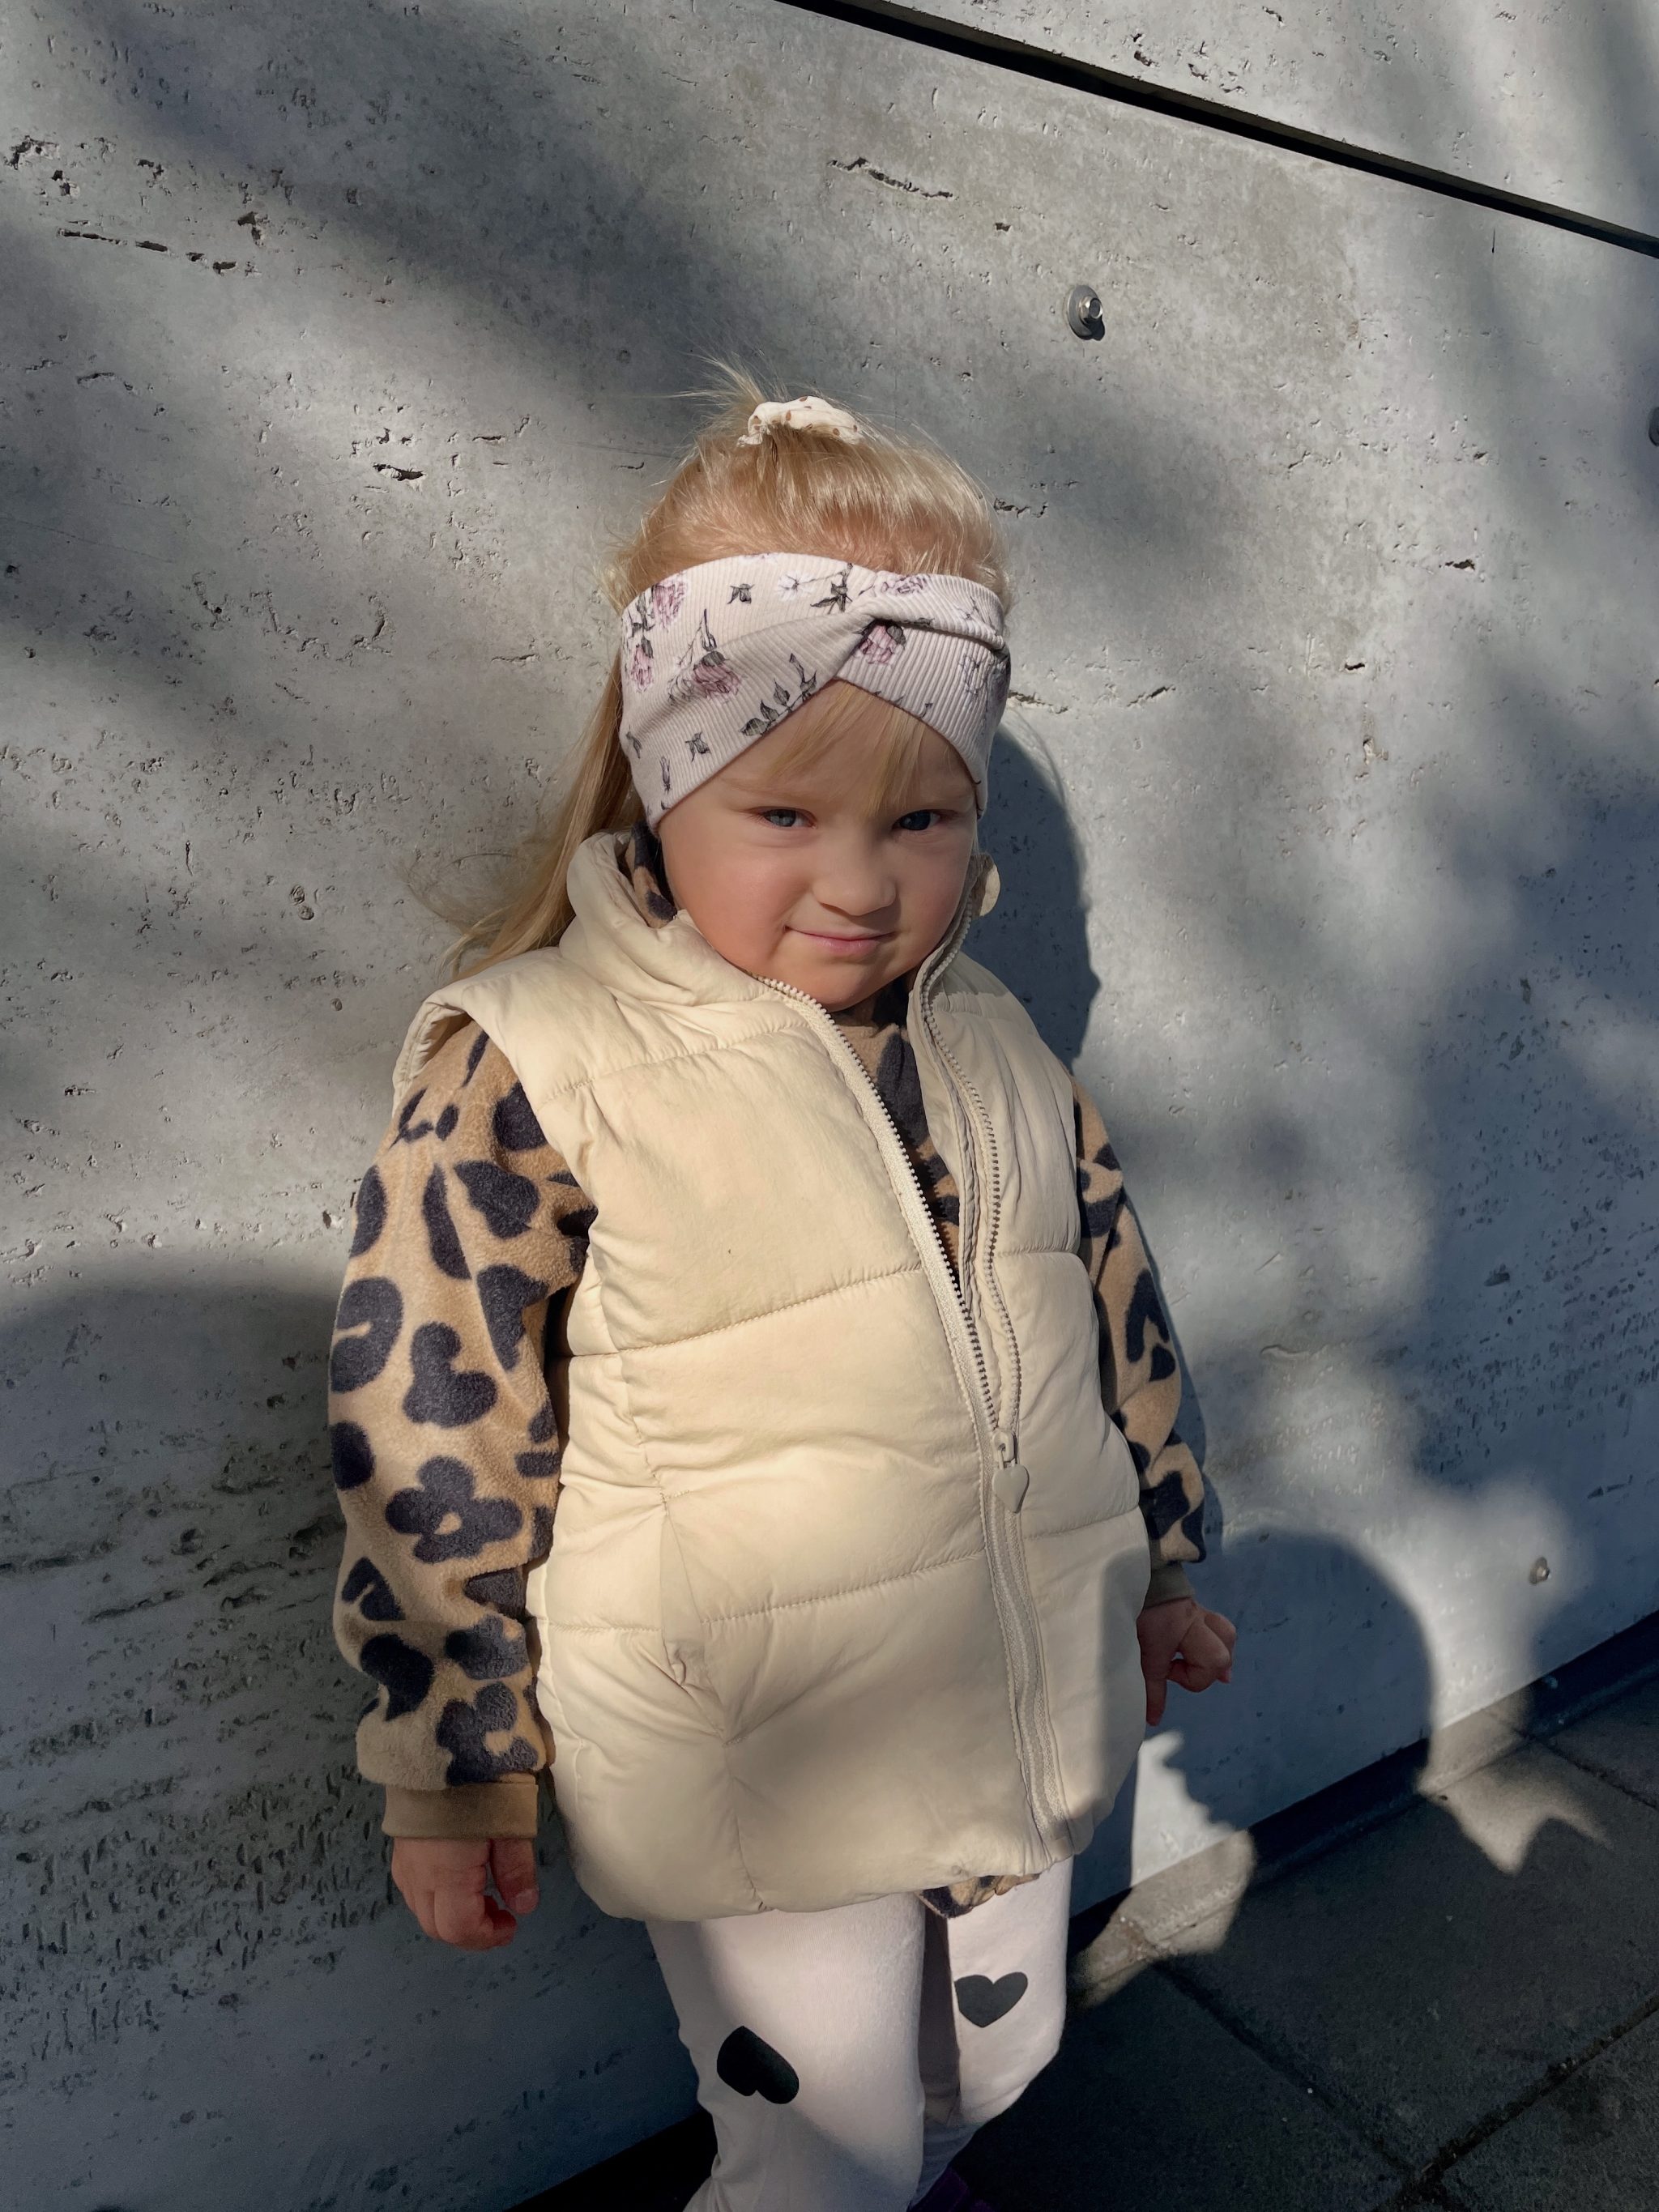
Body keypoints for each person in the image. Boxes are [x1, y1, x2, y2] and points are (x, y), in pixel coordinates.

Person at [326, 373, 1238, 2212]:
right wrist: (453, 1763)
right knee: (819, 2150)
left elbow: (1112, 1321)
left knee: (998, 2067)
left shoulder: (993, 1041)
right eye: (786, 810)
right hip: (761, 1766)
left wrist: (1163, 1568)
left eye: (924, 818)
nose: (861, 882)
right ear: (668, 781)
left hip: (1014, 1705)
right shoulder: (541, 1057)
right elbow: (429, 1436)